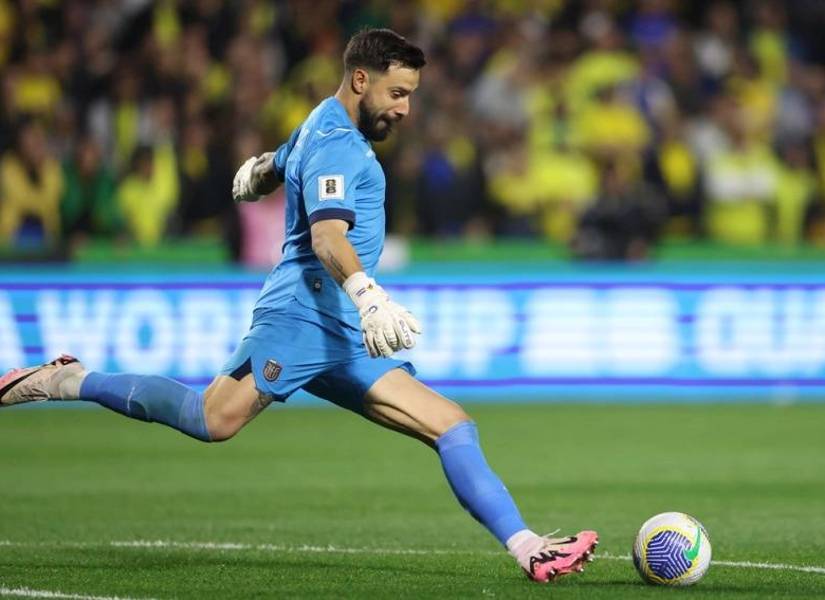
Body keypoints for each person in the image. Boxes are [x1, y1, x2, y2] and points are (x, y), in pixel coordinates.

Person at [0, 28, 597, 583]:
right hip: (303, 315)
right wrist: (368, 296)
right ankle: (66, 381)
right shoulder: (342, 146)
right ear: (360, 79)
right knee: (211, 419)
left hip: (338, 330)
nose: (404, 108)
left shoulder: (322, 120)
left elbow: (284, 159)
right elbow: (326, 237)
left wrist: (261, 171)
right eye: (397, 92)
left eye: (411, 95)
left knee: (451, 424)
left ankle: (527, 547)